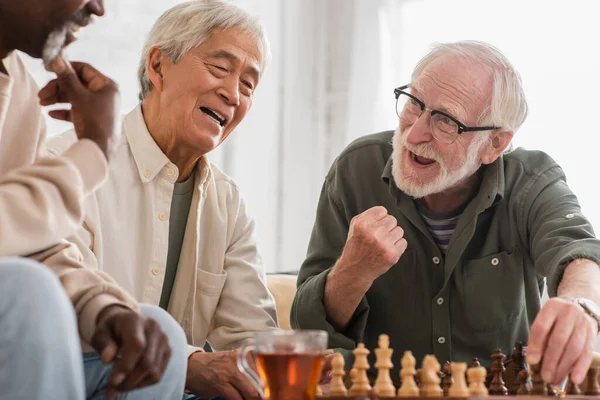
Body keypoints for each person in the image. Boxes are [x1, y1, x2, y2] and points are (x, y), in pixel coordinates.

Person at [291, 40, 600, 387]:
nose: (415, 132)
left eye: (446, 121)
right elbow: (307, 328)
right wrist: (352, 272)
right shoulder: (355, 170)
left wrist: (582, 304)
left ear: (494, 144)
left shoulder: (530, 181)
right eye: (415, 104)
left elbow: (578, 250)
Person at [47, 1, 278, 399]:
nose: (232, 94)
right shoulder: (70, 162)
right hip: (76, 381)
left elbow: (250, 335)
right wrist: (184, 363)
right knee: (159, 330)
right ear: (158, 66)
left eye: (248, 85)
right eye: (221, 69)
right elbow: (64, 317)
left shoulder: (229, 205)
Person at [0, 0, 187, 398]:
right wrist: (95, 150)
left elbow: (30, 246)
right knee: (28, 292)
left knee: (157, 337)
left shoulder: (21, 92)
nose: (98, 8)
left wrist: (99, 306)